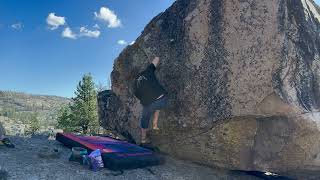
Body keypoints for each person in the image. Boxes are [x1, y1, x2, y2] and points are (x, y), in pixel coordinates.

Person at [133, 56, 168, 144]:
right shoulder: (148, 71)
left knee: (144, 120)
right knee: (158, 105)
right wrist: (157, 56)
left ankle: (143, 139)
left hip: (149, 105)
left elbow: (139, 96)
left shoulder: (135, 86)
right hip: (162, 99)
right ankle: (155, 125)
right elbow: (157, 59)